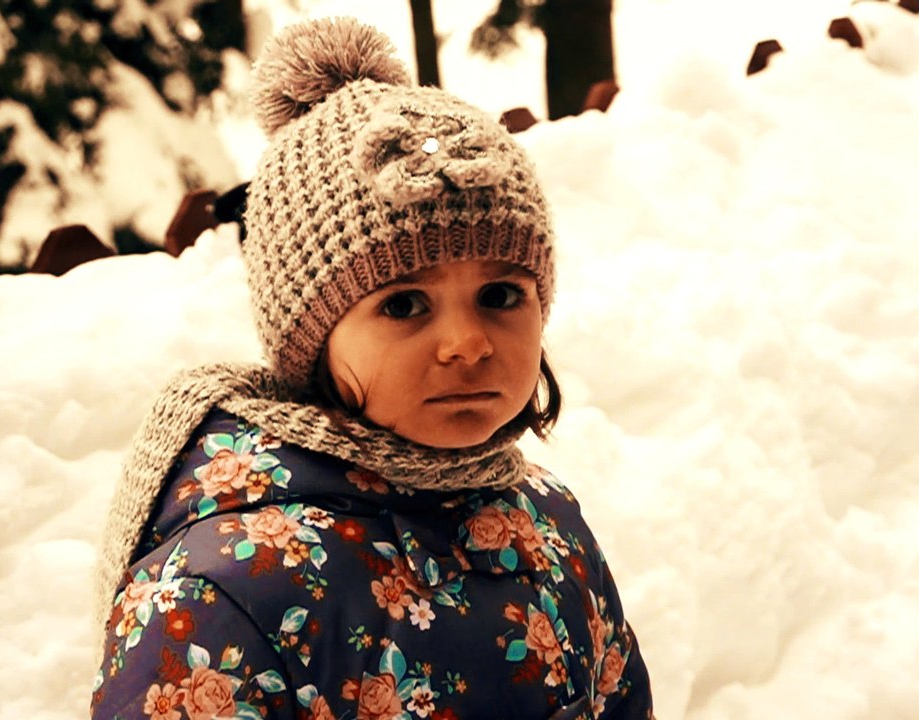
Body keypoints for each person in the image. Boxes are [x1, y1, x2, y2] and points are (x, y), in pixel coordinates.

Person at [90, 16, 653, 720]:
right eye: (405, 304)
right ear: (310, 338)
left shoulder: (550, 522)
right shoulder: (219, 594)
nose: (466, 343)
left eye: (500, 296)